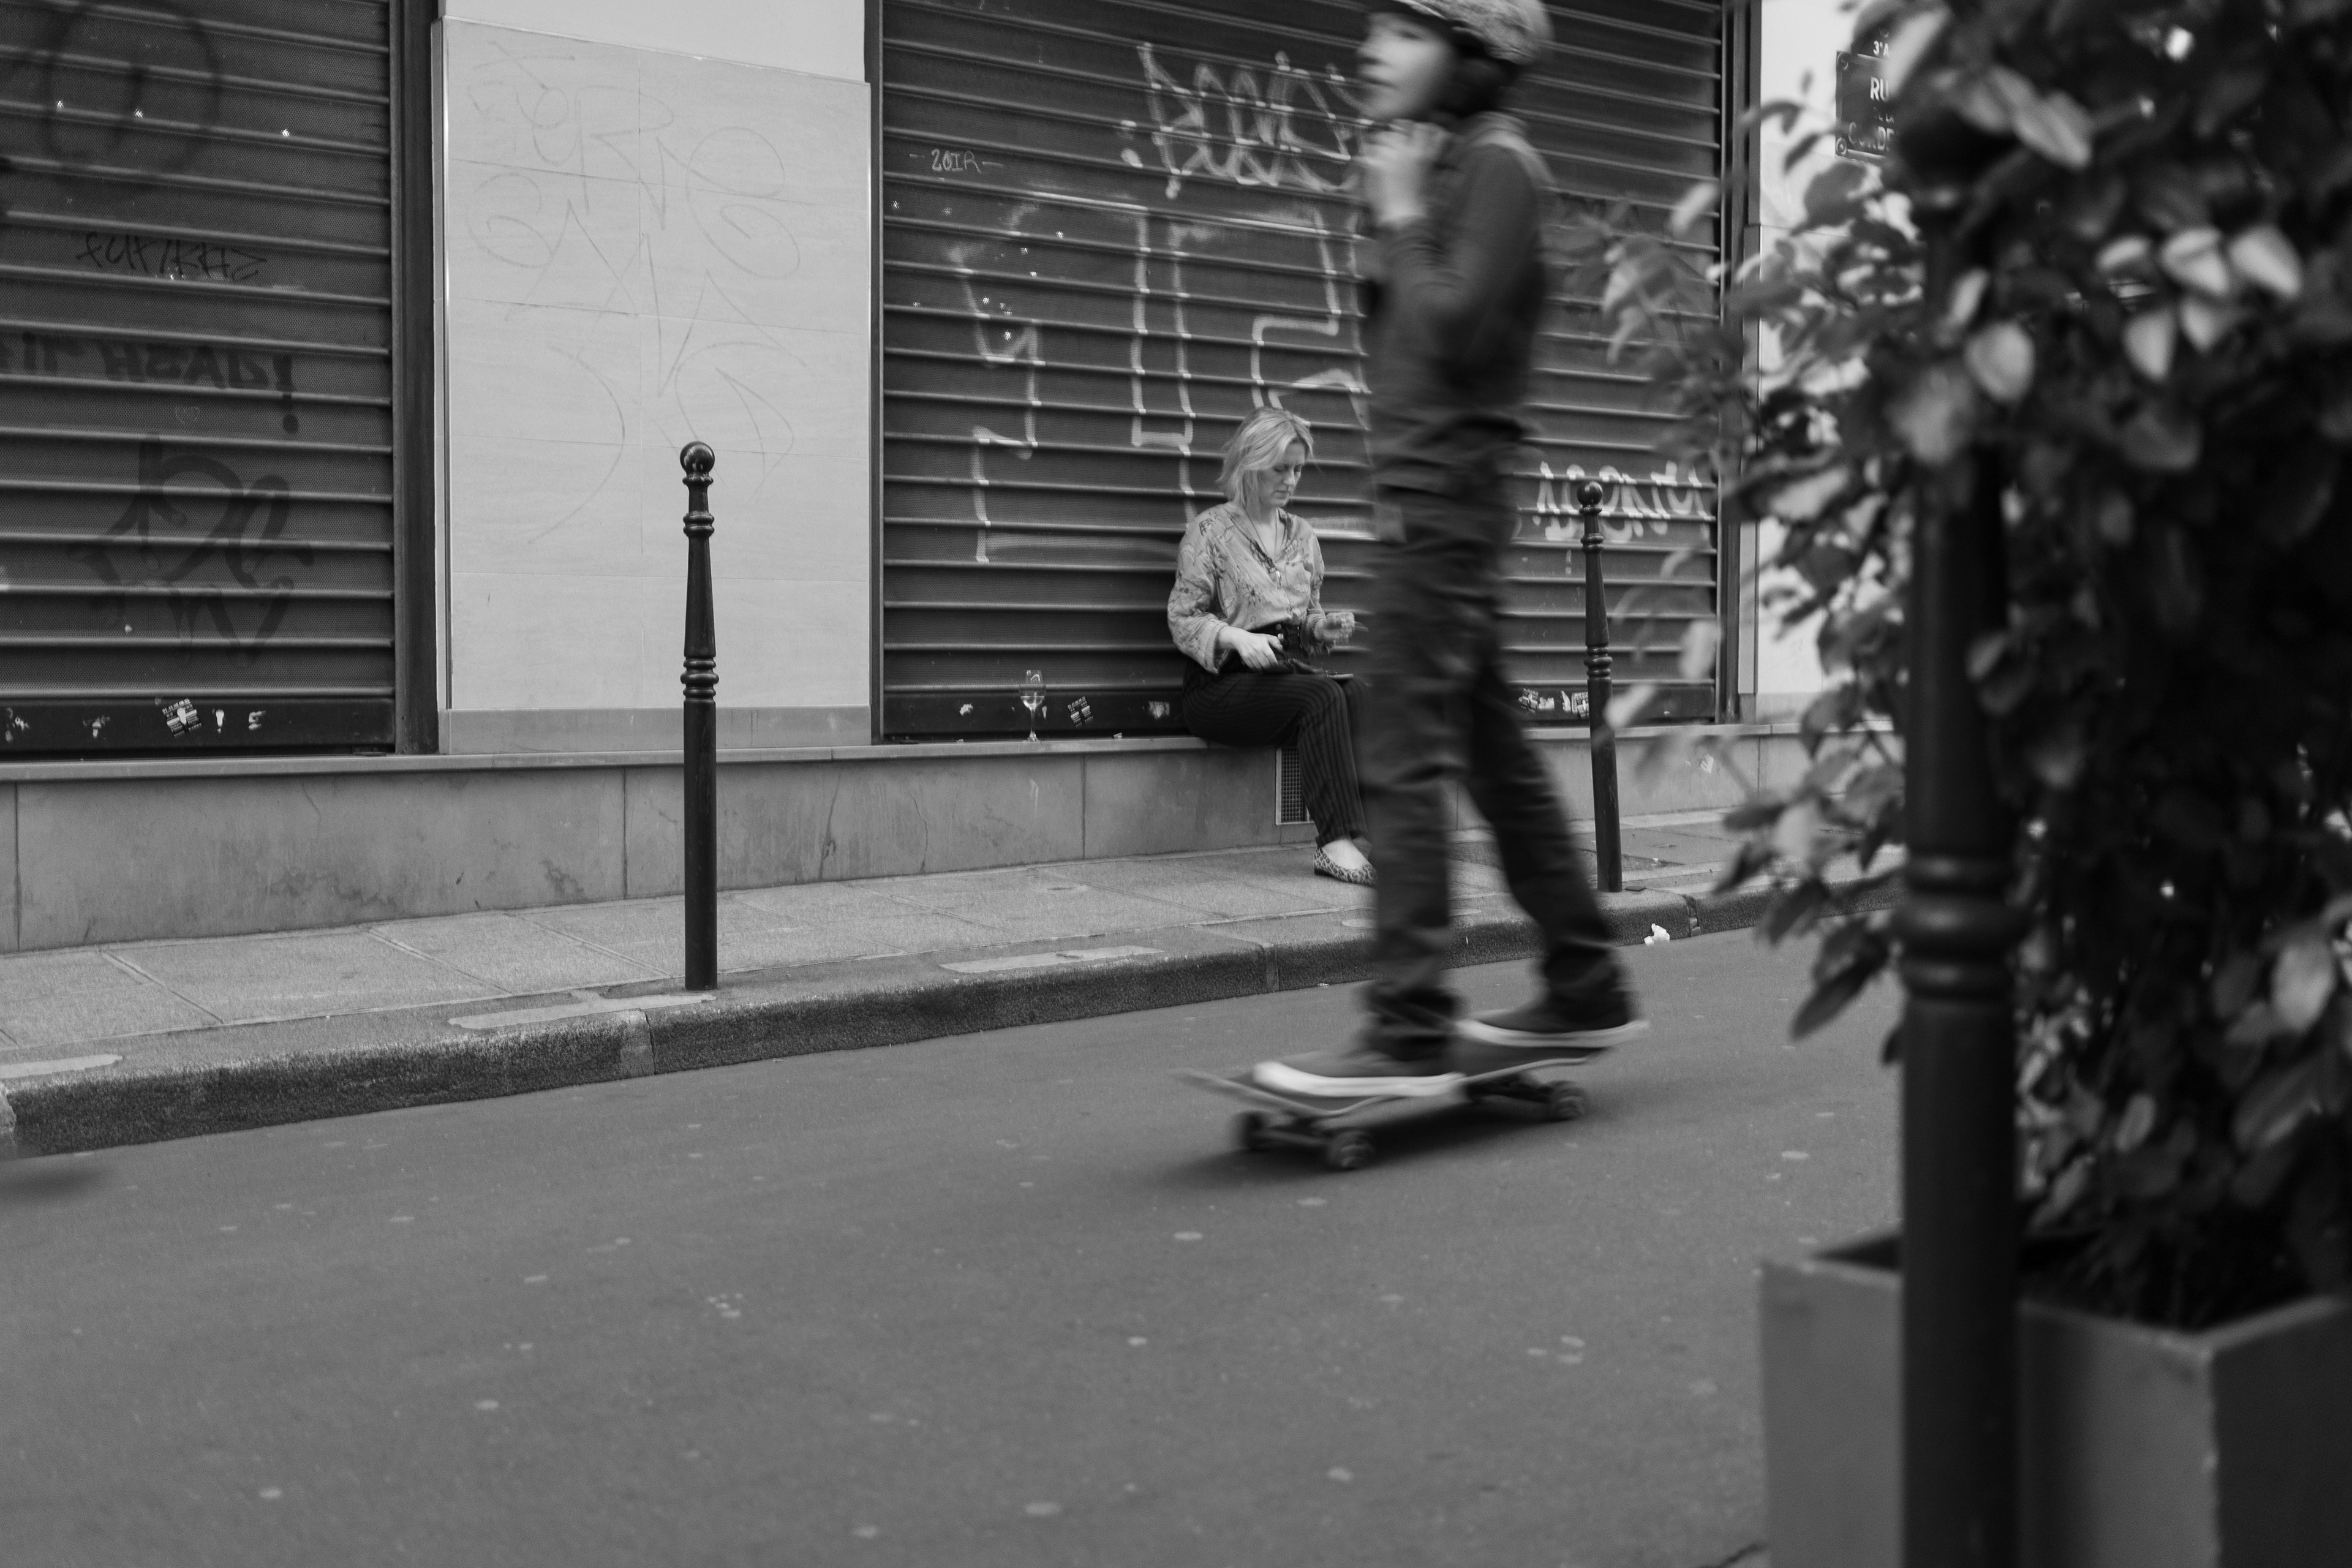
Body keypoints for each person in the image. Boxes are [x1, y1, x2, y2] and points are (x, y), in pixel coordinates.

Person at [1253, 0, 1645, 1098]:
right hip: (1427, 496)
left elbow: (1457, 329)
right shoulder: (1452, 168)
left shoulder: (1502, 167)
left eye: (1408, 31)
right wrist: (1397, 216)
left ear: (1474, 59)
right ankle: (1583, 977)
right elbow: (1407, 342)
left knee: (1404, 752)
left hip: (1450, 500)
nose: (1375, 47)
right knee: (1494, 756)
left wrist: (1399, 217)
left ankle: (1413, 1017)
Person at [1167, 407, 1374, 884]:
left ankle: (1378, 835)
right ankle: (1335, 844)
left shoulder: (1301, 535)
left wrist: (1320, 630)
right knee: (1322, 697)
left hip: (1282, 677)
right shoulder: (1210, 532)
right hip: (1221, 685)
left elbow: (1304, 618)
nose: (1291, 480)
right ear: (1250, 463)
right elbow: (1183, 618)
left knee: (1359, 692)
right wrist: (1235, 636)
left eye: (1298, 469)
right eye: (1280, 468)